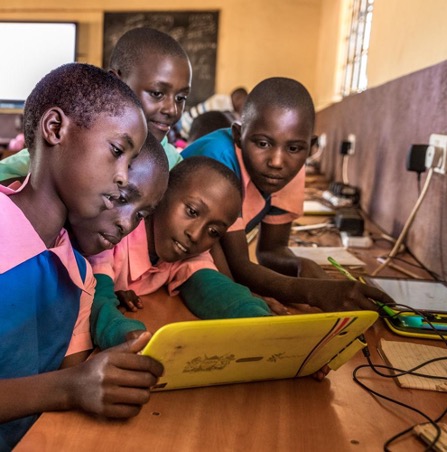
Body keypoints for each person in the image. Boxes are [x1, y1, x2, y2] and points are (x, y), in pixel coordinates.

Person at [0, 63, 164, 450]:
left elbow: (75, 382)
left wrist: (104, 381)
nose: (122, 177)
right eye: (117, 151)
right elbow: (69, 385)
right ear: (55, 128)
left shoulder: (80, 274)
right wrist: (71, 388)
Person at [182, 77, 395, 312]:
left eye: (294, 148)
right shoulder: (217, 161)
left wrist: (299, 265)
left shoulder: (288, 168)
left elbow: (271, 250)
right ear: (238, 135)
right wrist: (313, 291)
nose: (277, 161)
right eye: (263, 144)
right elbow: (238, 265)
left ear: (310, 147)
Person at [86, 156, 271, 351]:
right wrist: (127, 334)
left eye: (213, 231)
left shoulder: (185, 250)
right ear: (160, 194)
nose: (196, 235)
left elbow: (213, 288)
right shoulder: (113, 236)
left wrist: (257, 317)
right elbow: (97, 302)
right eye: (192, 212)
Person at [0, 26, 192, 182]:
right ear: (116, 81)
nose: (172, 109)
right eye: (157, 93)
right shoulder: (73, 146)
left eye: (181, 98)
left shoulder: (174, 166)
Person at [178, 87, 248, 141]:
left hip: (185, 123)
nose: (243, 108)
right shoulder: (223, 105)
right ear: (237, 98)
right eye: (244, 103)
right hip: (185, 126)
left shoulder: (222, 99)